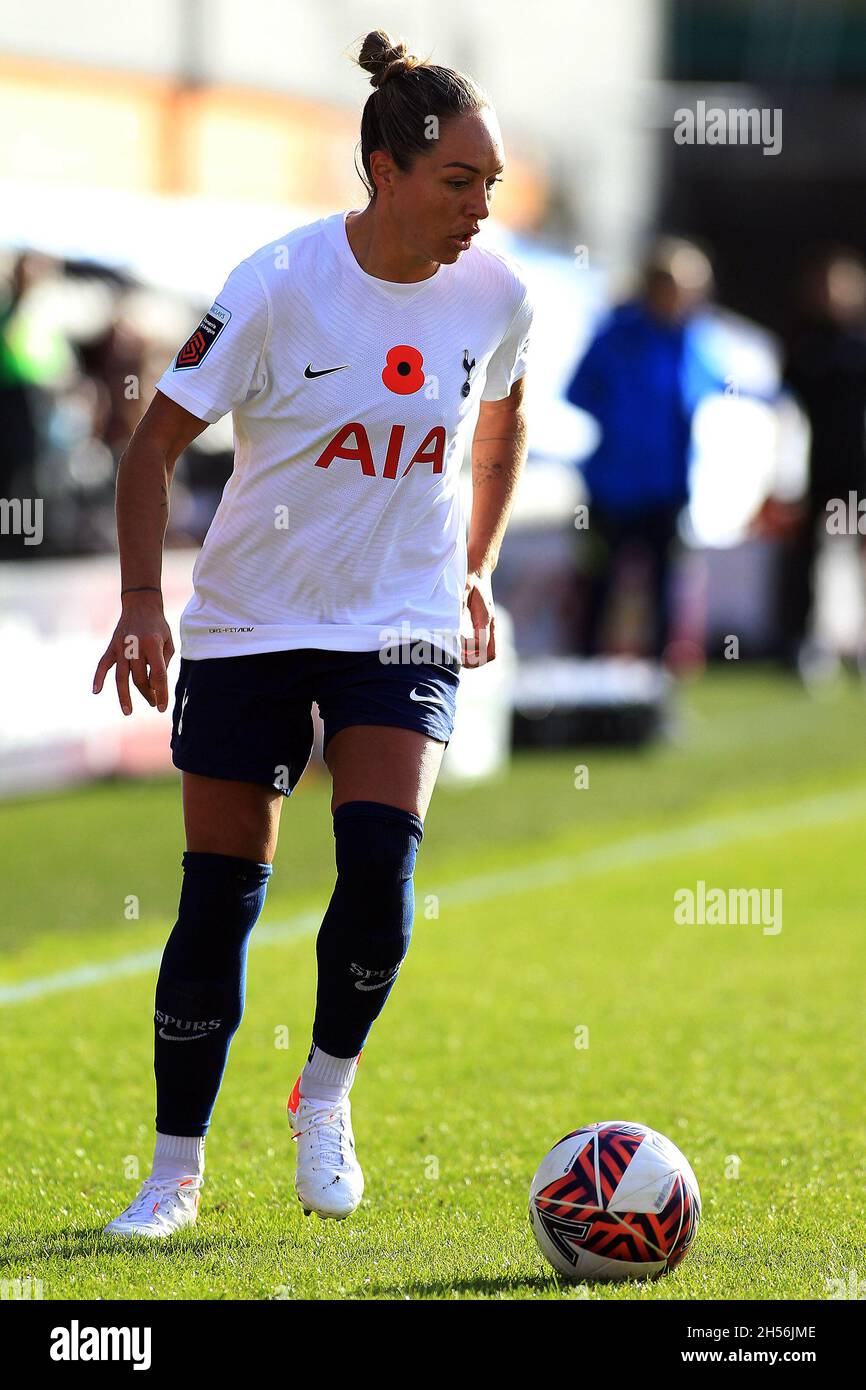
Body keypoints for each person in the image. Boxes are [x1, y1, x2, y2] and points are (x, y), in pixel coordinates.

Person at [92, 29, 531, 1236]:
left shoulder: (497, 292)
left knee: (382, 882)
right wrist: (143, 604)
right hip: (250, 623)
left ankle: (323, 1094)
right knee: (219, 894)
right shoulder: (275, 283)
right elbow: (152, 450)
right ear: (383, 171)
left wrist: (476, 569)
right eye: (458, 182)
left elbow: (500, 422)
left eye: (491, 184)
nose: (480, 210)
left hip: (399, 620)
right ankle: (174, 1171)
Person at [566, 238, 713, 660]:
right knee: (600, 584)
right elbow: (578, 390)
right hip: (613, 486)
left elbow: (717, 392)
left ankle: (655, 686)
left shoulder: (693, 341)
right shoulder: (617, 334)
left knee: (664, 590)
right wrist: (620, 418)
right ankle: (588, 679)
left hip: (667, 488)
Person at [780, 247, 866, 672]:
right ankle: (807, 643)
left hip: (859, 473)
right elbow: (785, 406)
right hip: (819, 472)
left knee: (857, 552)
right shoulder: (805, 345)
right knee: (810, 557)